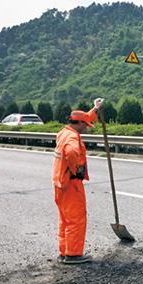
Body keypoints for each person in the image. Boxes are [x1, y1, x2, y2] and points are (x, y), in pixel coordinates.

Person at [52, 98, 103, 264]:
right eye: (85, 126)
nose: (86, 129)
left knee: (65, 219)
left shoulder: (64, 132)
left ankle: (65, 251)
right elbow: (72, 152)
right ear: (79, 124)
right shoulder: (72, 138)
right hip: (71, 183)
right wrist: (77, 169)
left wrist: (95, 109)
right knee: (76, 218)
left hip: (60, 183)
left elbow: (85, 118)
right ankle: (73, 254)